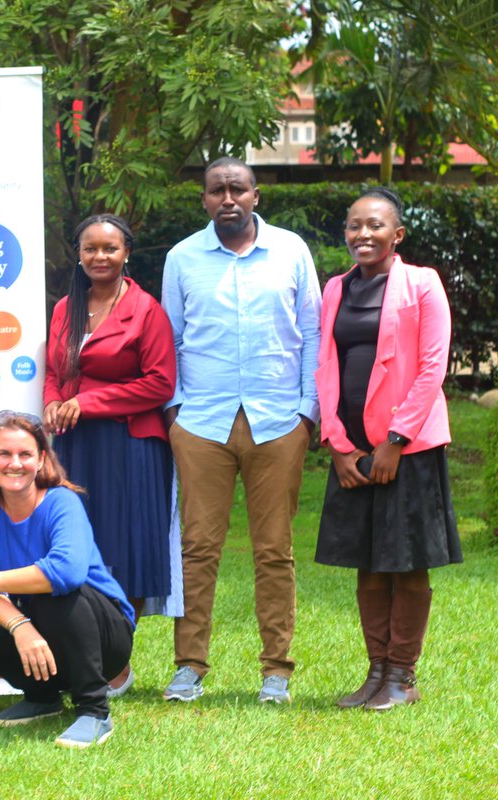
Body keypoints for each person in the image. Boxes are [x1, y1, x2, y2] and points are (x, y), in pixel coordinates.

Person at [161, 156, 321, 704]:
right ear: (204, 199)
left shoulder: (292, 251)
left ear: (256, 196)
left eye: (237, 189)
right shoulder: (182, 258)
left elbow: (312, 332)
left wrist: (307, 411)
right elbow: (171, 338)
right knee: (197, 548)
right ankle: (189, 666)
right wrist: (176, 411)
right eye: (216, 190)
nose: (227, 198)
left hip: (278, 422)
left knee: (274, 550)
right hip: (201, 423)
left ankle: (276, 670)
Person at [314, 187, 461, 710]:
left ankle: (403, 675)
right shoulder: (334, 288)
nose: (363, 235)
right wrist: (337, 444)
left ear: (396, 235)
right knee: (368, 562)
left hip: (409, 448)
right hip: (351, 448)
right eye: (354, 226)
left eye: (375, 225)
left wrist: (395, 442)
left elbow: (431, 367)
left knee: (406, 560)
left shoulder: (422, 284)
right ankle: (376, 672)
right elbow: (325, 365)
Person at [43, 213, 180, 697]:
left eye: (110, 249)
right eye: (90, 249)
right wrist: (54, 402)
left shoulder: (147, 310)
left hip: (130, 445)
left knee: (125, 550)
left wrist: (87, 402)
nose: (100, 257)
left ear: (127, 253)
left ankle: (117, 661)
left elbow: (160, 383)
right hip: (78, 444)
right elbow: (55, 370)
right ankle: (85, 648)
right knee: (79, 546)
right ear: (78, 254)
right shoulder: (66, 307)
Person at [0, 412, 134, 749]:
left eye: (25, 454)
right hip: (40, 624)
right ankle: (42, 698)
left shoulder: (61, 501)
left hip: (104, 634)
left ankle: (95, 711)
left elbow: (66, 573)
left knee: (54, 594)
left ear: (41, 459)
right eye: (4, 454)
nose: (15, 463)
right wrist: (20, 625)